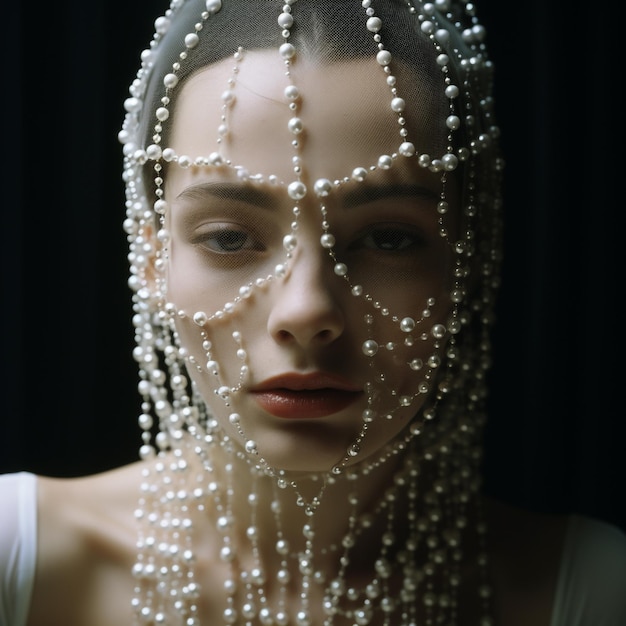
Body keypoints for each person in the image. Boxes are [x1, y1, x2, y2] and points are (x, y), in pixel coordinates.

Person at [1, 0, 625, 625]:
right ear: (152, 261)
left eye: (388, 239)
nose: (306, 312)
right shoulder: (20, 558)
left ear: (470, 255)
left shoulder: (591, 588)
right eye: (228, 238)